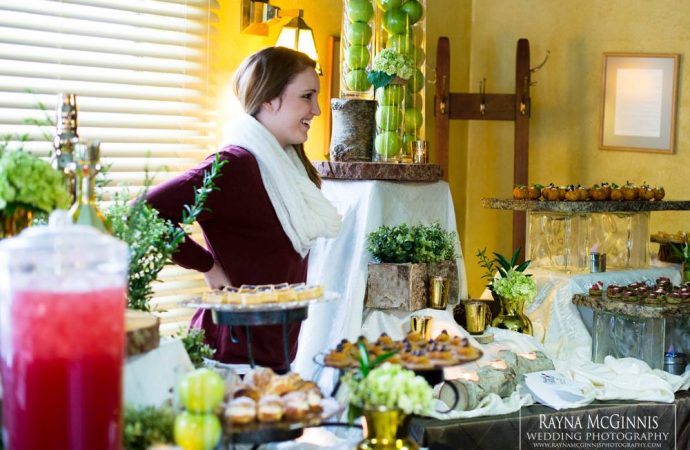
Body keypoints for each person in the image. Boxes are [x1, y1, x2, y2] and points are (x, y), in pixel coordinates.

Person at [146, 46, 341, 370]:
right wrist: (207, 266)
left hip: (273, 357)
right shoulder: (233, 166)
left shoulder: (287, 170)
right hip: (230, 358)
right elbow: (143, 212)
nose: (317, 109)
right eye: (307, 96)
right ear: (268, 99)